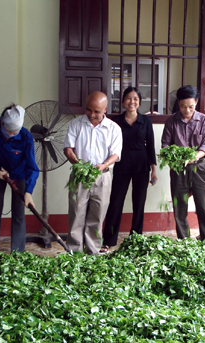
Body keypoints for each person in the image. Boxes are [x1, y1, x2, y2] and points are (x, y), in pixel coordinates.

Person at [64, 91, 122, 255]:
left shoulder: (113, 128)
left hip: (102, 178)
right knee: (76, 214)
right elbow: (68, 148)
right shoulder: (76, 124)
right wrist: (77, 163)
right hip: (80, 176)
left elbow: (116, 154)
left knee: (97, 217)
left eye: (97, 111)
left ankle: (92, 252)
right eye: (89, 110)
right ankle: (74, 252)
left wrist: (103, 165)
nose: (91, 114)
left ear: (105, 109)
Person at [100, 87, 157, 253]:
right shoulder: (115, 121)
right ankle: (108, 240)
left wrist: (153, 169)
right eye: (129, 98)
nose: (132, 102)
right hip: (121, 165)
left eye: (135, 99)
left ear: (139, 101)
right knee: (115, 203)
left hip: (141, 166)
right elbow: (109, 145)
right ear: (123, 101)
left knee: (139, 204)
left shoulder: (146, 121)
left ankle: (136, 239)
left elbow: (151, 146)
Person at [0, 104, 39, 254]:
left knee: (18, 213)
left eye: (14, 133)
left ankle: (18, 254)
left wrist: (29, 192)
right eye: (8, 132)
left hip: (19, 174)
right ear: (1, 123)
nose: (11, 135)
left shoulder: (26, 137)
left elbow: (32, 167)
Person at [161, 85, 205, 240]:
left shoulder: (204, 120)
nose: (187, 110)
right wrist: (176, 158)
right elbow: (165, 145)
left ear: (196, 102)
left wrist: (194, 157)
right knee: (180, 208)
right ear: (178, 103)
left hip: (199, 167)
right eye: (183, 106)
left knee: (204, 206)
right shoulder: (171, 122)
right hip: (178, 169)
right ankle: (184, 241)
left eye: (191, 106)